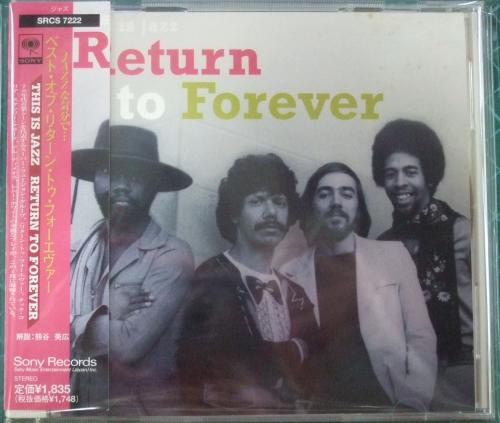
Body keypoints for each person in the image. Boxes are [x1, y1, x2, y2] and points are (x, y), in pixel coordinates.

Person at [280, 162, 437, 412]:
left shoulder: (393, 255)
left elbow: (420, 336)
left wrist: (412, 404)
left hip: (389, 407)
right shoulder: (289, 273)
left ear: (358, 207)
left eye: (347, 193)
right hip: (320, 411)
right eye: (325, 194)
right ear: (311, 207)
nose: (336, 202)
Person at [177, 153, 318, 412]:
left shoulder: (295, 292)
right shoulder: (212, 277)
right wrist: (294, 350)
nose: (271, 212)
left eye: (279, 202)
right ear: (234, 213)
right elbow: (225, 368)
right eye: (256, 201)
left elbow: (317, 360)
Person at [70, 121, 194, 414]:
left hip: (141, 414)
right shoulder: (74, 252)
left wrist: (72, 323)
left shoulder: (172, 255)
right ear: (95, 179)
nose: (121, 185)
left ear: (154, 185)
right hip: (79, 407)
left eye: (135, 175)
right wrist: (109, 309)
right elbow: (36, 335)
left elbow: (128, 345)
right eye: (108, 171)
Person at [371, 119, 474, 410]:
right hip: (406, 377)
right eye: (390, 174)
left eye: (410, 172)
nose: (399, 183)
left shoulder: (464, 231)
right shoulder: (381, 245)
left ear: (428, 175)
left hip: (461, 371)